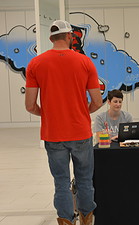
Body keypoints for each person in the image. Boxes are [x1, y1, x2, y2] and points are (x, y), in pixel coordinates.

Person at [25, 20, 102, 225]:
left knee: (61, 182)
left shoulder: (36, 64)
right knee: (85, 180)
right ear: (70, 37)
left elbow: (30, 105)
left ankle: (66, 221)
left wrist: (50, 114)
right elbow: (97, 101)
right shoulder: (85, 62)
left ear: (51, 38)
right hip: (81, 132)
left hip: (53, 134)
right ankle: (87, 220)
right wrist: (80, 112)